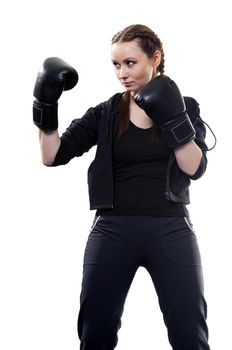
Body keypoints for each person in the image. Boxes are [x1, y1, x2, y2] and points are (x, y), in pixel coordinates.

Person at [33, 24, 213, 350]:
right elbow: (52, 155)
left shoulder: (184, 105)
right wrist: (45, 105)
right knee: (95, 332)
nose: (122, 73)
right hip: (112, 228)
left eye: (130, 63)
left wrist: (173, 117)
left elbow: (194, 167)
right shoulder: (107, 112)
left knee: (190, 333)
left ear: (154, 58)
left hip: (171, 227)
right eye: (116, 65)